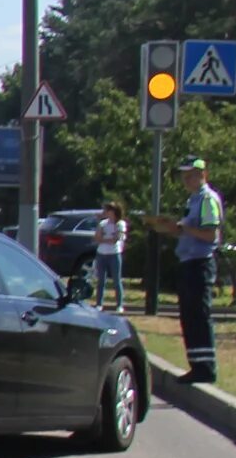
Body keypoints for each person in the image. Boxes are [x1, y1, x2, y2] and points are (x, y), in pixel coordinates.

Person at [147, 158, 225, 382]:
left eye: (190, 175)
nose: (186, 180)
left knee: (199, 316)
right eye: (184, 176)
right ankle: (196, 365)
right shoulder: (193, 200)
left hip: (201, 262)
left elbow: (211, 234)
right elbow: (188, 231)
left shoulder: (207, 199)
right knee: (189, 316)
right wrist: (170, 228)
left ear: (202, 174)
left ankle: (206, 368)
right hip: (188, 261)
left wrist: (184, 228)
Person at [93, 202, 129, 311]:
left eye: (107, 210)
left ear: (113, 211)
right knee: (101, 280)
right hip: (101, 254)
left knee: (116, 280)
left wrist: (104, 238)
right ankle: (99, 303)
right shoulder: (103, 223)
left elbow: (116, 239)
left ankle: (119, 305)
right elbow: (97, 238)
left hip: (114, 254)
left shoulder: (120, 224)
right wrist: (105, 238)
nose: (105, 213)